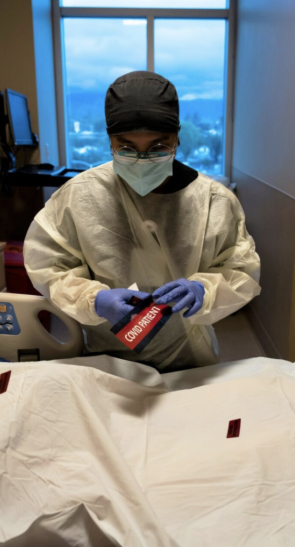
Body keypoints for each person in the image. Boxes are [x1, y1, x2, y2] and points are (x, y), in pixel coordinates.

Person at [24, 71, 260, 370]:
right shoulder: (79, 197)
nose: (142, 160)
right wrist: (95, 300)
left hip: (188, 355)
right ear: (110, 141)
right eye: (127, 148)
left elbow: (240, 270)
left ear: (177, 138)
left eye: (158, 148)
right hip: (107, 356)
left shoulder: (214, 201)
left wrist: (205, 289)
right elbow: (49, 267)